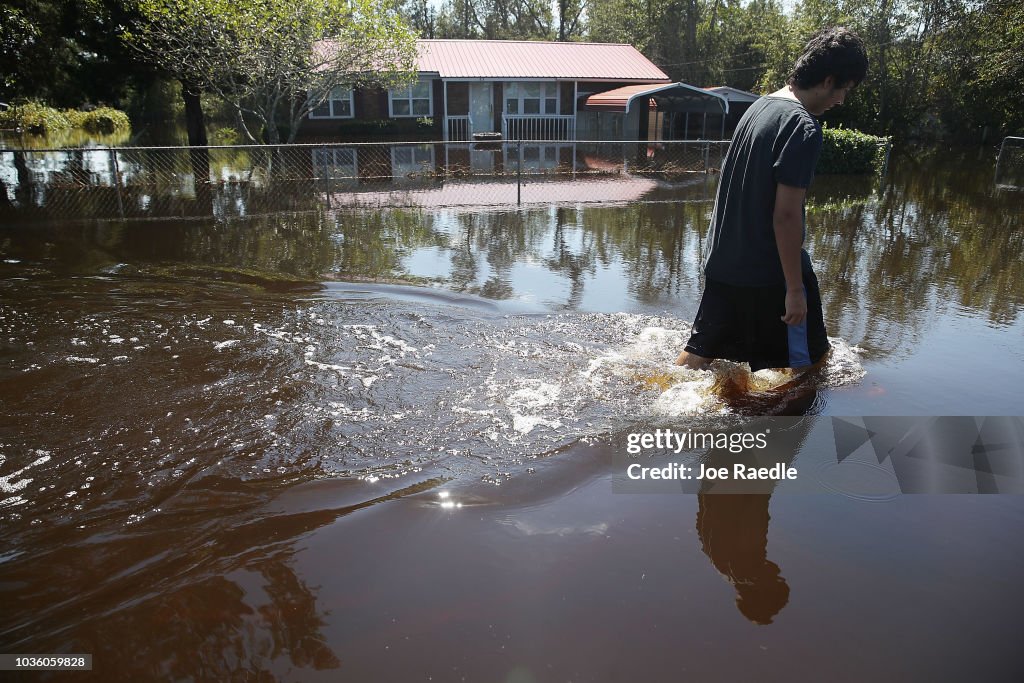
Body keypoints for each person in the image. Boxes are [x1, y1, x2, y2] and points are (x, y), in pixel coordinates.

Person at [676, 27, 868, 373]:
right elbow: (787, 216)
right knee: (811, 367)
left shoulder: (759, 106)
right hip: (767, 274)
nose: (841, 101)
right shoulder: (803, 126)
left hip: (722, 262)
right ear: (828, 81)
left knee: (696, 360)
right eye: (845, 91)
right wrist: (794, 290)